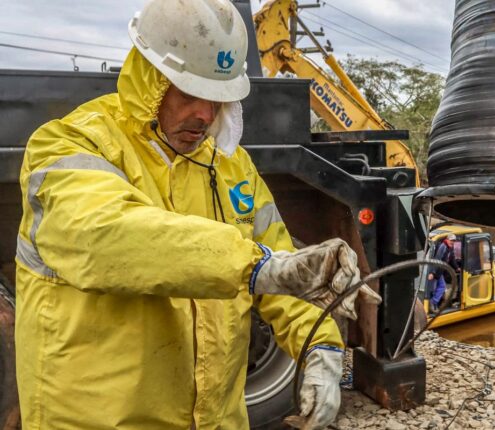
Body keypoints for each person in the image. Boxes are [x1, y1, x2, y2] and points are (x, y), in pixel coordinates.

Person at [14, 1, 379, 429]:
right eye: (189, 92)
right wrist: (256, 266)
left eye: (217, 97)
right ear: (151, 77)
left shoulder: (231, 168)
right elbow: (105, 237)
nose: (205, 115)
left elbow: (283, 268)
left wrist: (321, 345)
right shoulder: (70, 145)